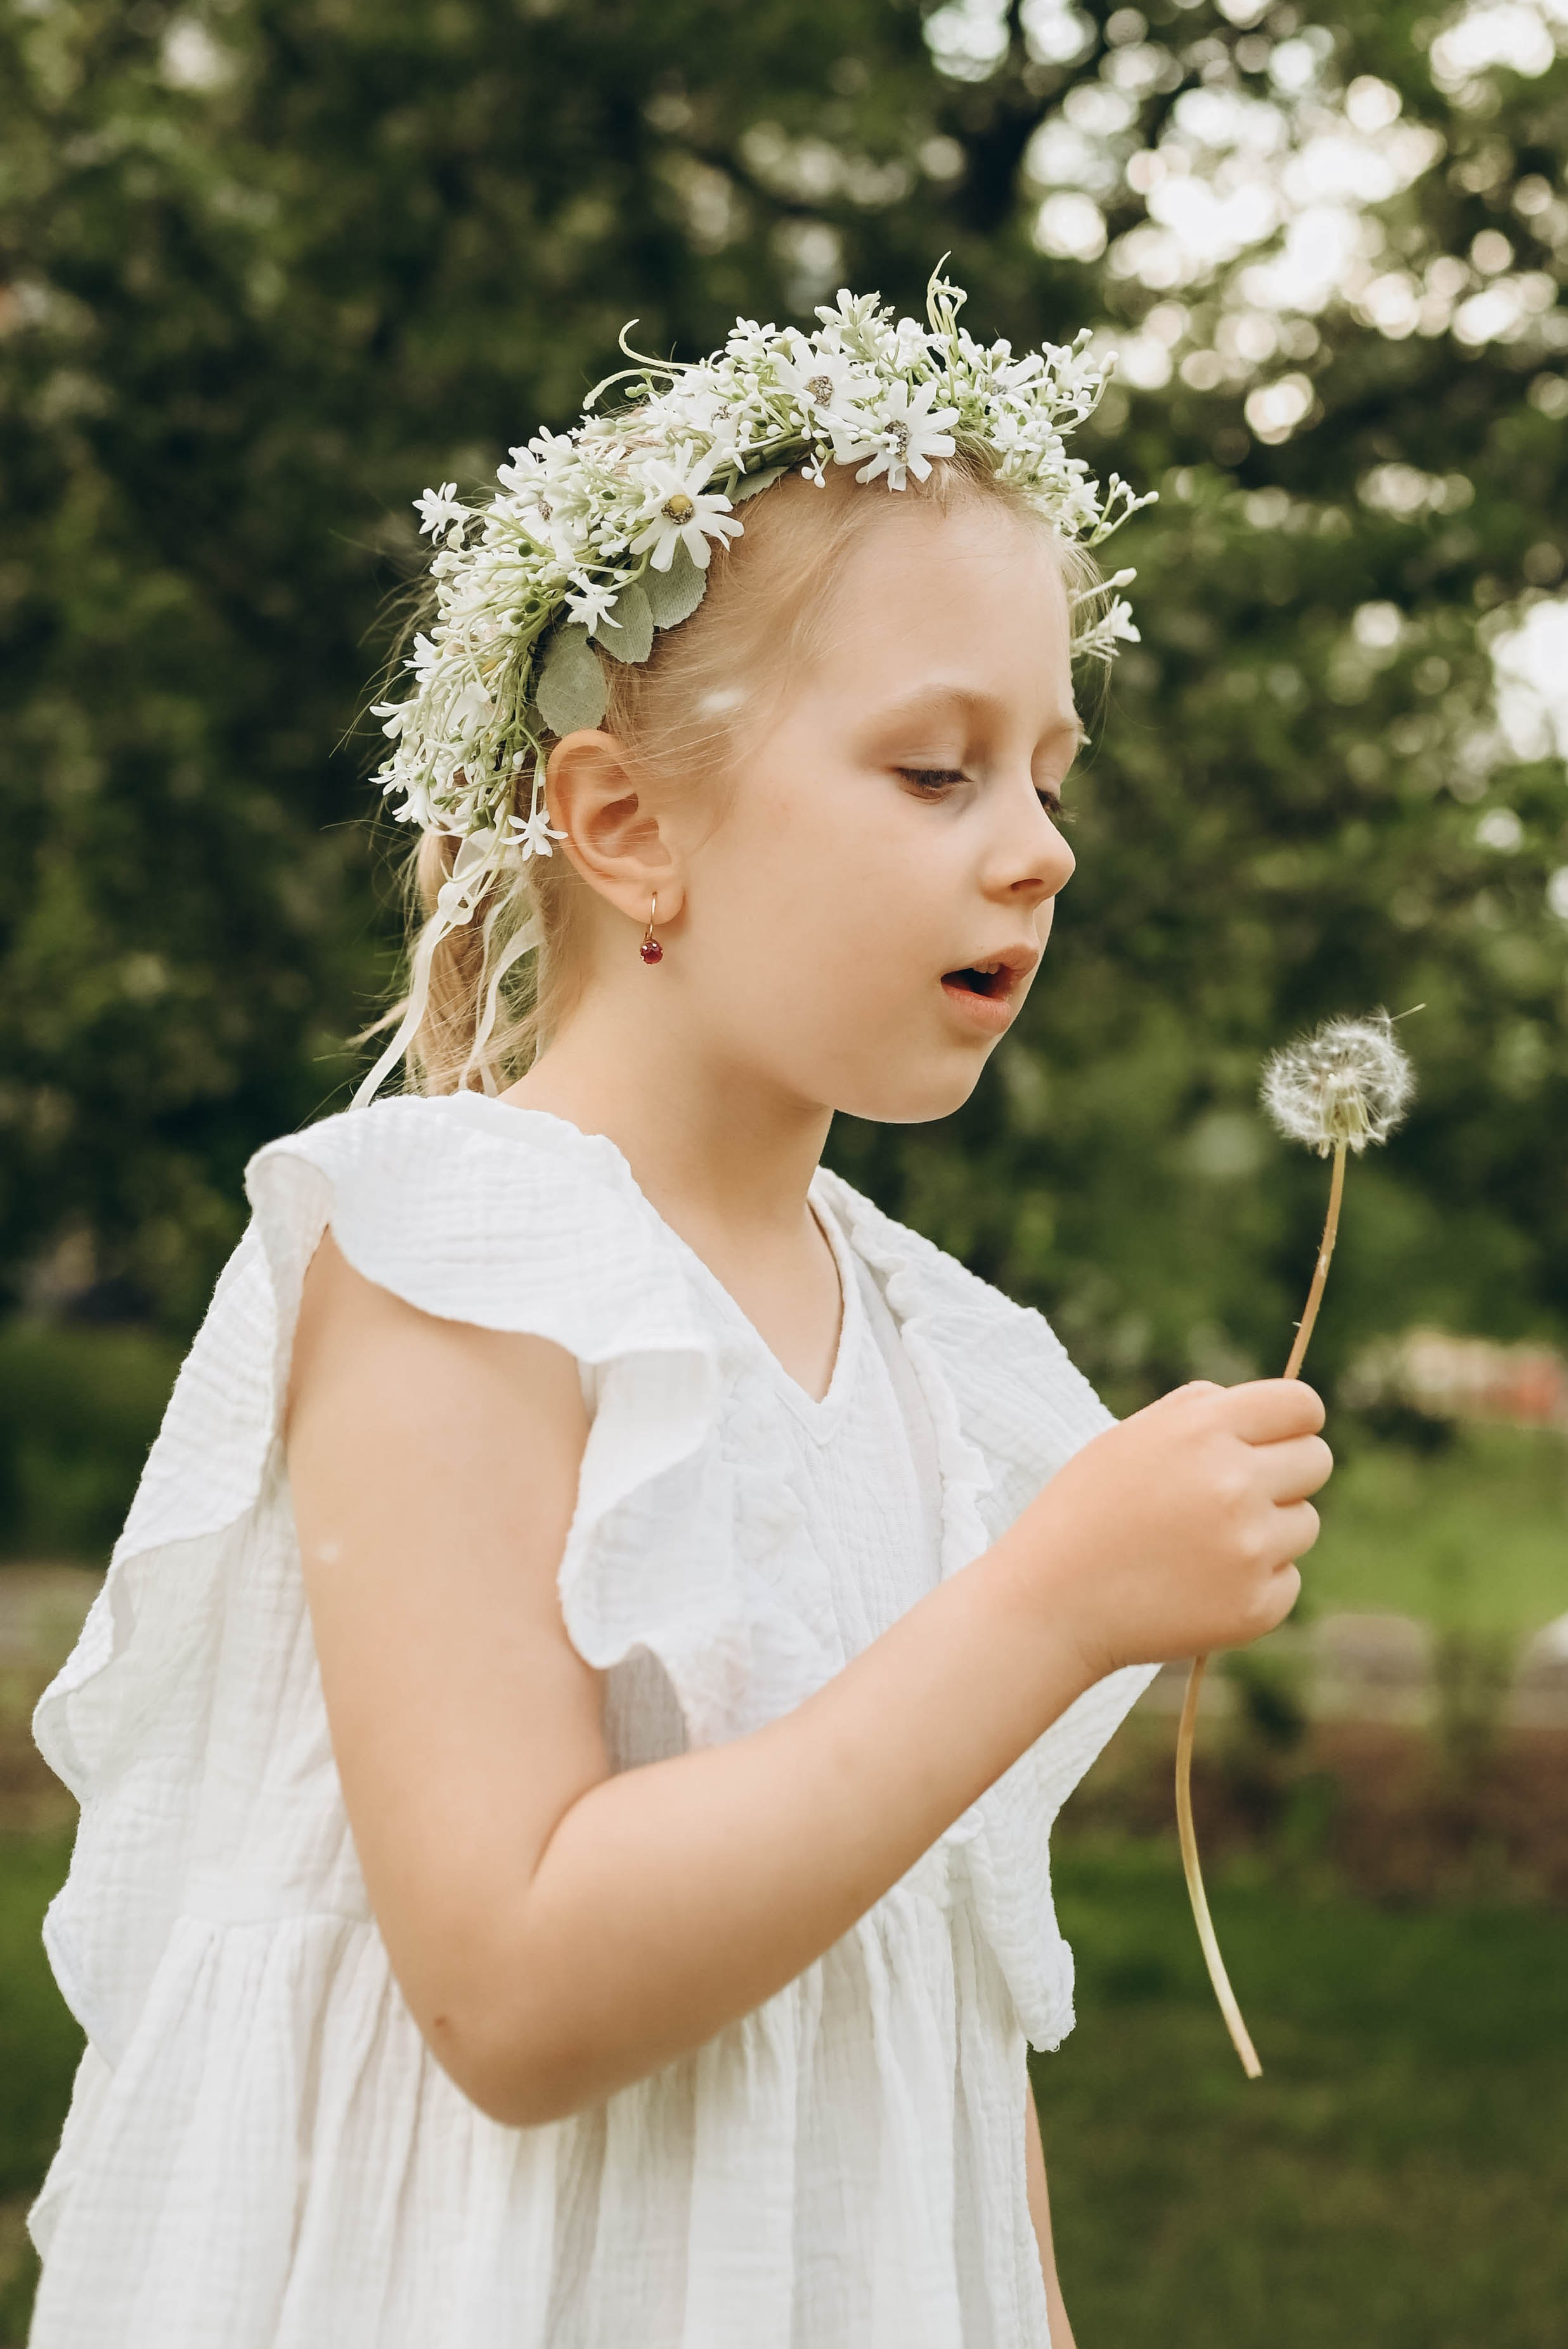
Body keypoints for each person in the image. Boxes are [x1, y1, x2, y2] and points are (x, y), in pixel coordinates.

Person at [25, 270, 1330, 2348]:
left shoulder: (942, 1354)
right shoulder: (457, 1262)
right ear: (626, 826)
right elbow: (514, 1988)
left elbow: (930, 2004)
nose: (1041, 852)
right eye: (937, 772)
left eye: (1049, 774)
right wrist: (1050, 1606)